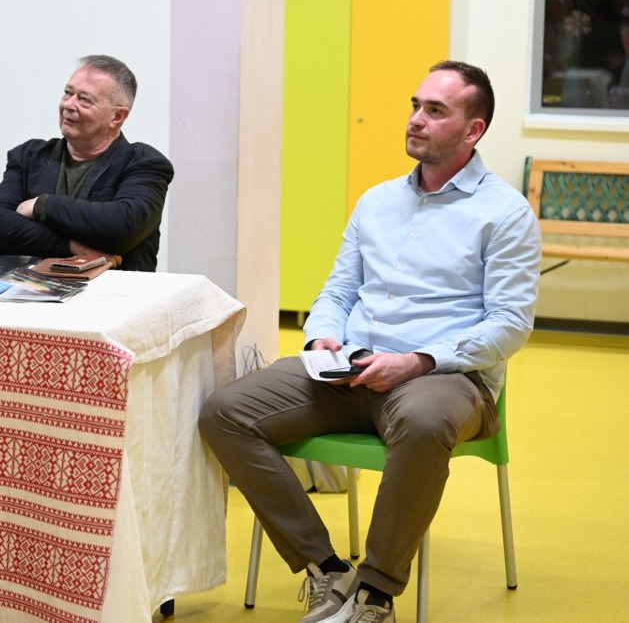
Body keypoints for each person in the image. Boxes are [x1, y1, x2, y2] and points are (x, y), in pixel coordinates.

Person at [199, 61, 541, 623]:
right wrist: (323, 336)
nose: (416, 119)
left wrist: (418, 361)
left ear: (473, 130)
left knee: (424, 423)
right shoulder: (377, 201)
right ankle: (326, 568)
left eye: (436, 111)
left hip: (443, 377)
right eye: (415, 105)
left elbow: (510, 324)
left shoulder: (504, 213)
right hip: (348, 368)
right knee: (224, 412)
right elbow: (339, 290)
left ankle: (375, 594)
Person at [0, 55, 173, 272]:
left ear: (117, 116)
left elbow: (123, 226)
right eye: (68, 93)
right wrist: (70, 246)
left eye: (84, 99)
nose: (68, 105)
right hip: (30, 288)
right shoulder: (30, 156)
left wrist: (41, 206)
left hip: (111, 290)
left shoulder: (144, 163)